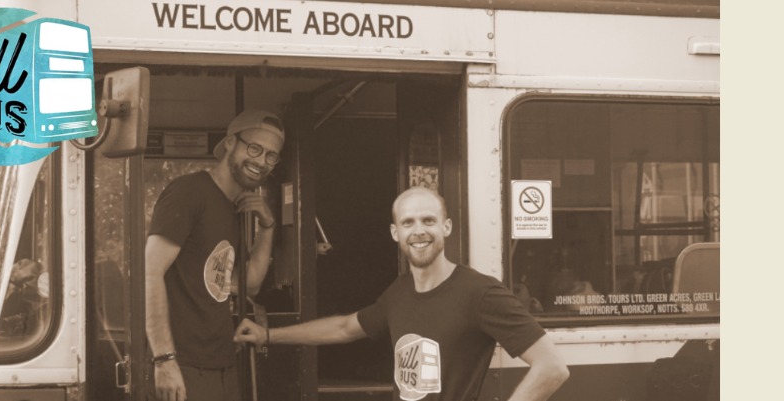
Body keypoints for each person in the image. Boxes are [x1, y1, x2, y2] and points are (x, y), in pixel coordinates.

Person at [234, 187, 569, 401]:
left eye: (428, 220)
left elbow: (552, 367)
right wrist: (268, 335)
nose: (419, 231)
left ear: (446, 227)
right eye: (408, 223)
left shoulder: (479, 292)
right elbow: (344, 327)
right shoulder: (399, 292)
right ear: (396, 232)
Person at [146, 109, 285, 401]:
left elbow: (249, 284)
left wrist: (267, 226)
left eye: (271, 155)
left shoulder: (234, 208)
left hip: (221, 362)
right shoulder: (189, 192)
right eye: (255, 148)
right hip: (183, 364)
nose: (261, 161)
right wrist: (164, 359)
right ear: (231, 142)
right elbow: (149, 273)